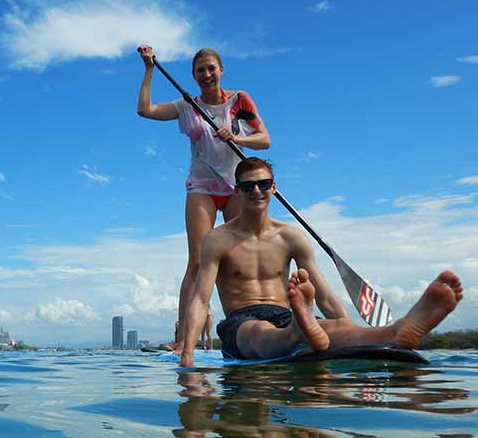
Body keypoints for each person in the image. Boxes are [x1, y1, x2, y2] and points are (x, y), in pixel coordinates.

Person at [180, 157, 464, 367]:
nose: (257, 191)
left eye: (263, 184)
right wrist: (188, 354)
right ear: (237, 191)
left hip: (287, 312)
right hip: (242, 320)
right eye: (249, 186)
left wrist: (348, 328)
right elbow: (201, 299)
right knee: (259, 334)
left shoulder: (291, 237)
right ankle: (298, 330)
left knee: (328, 328)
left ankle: (395, 331)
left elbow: (324, 294)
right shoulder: (218, 239)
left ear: (274, 188)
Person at [136, 45, 270, 354]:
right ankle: (185, 338)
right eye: (200, 70)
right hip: (202, 187)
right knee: (197, 261)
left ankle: (248, 329)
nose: (207, 74)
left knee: (239, 259)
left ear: (221, 70)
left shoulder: (240, 101)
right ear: (194, 76)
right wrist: (149, 69)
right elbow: (144, 110)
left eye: (211, 68)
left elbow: (264, 140)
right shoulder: (187, 106)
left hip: (237, 187)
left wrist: (237, 137)